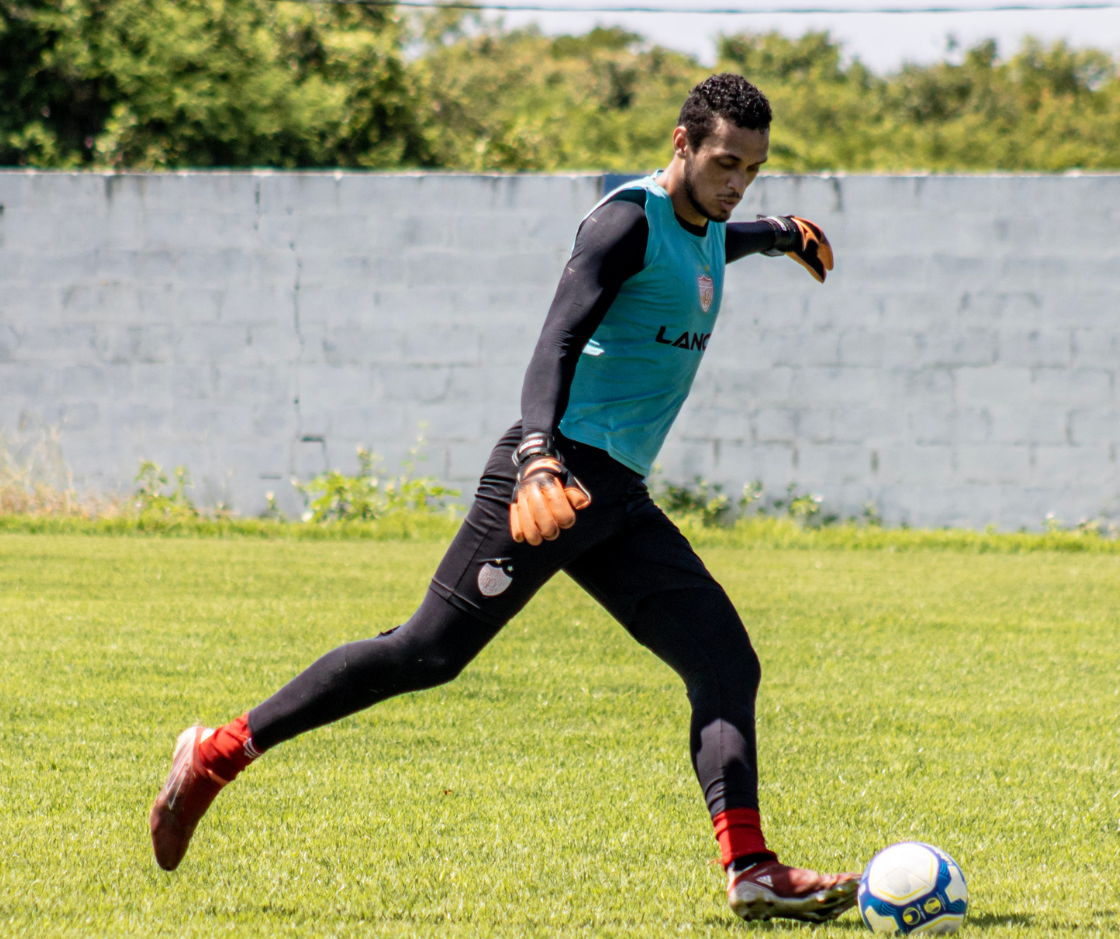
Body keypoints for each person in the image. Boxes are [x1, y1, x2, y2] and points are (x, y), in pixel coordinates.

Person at [150, 73, 850, 923]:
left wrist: (775, 235)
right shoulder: (624, 221)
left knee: (724, 661)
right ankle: (217, 751)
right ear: (681, 144)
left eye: (754, 169)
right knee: (426, 652)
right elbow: (554, 341)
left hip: (618, 497)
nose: (737, 181)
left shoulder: (705, 224)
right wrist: (533, 459)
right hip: (553, 477)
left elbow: (711, 240)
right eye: (725, 162)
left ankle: (750, 869)